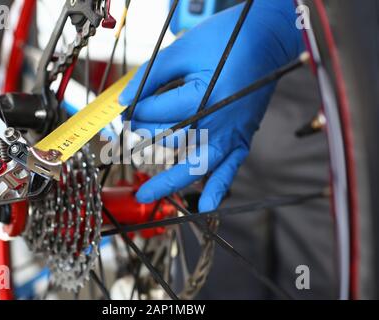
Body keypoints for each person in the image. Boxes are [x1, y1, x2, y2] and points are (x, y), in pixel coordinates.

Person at [119, 0, 337, 299]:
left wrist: (288, 16)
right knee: (211, 280)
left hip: (330, 106)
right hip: (216, 98)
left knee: (315, 284)